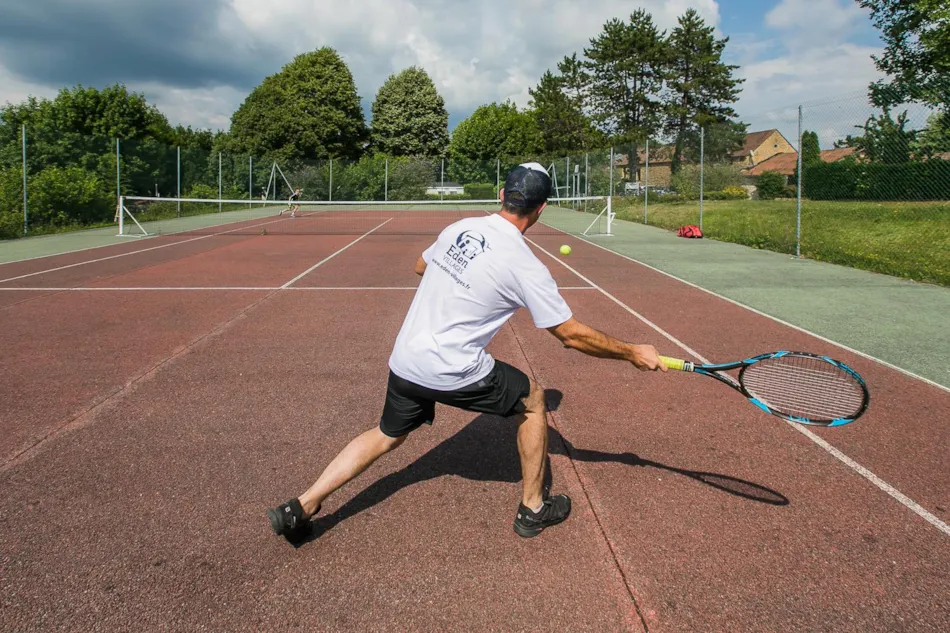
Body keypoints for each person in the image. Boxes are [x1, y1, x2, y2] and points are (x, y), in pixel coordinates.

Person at [267, 163, 666, 541]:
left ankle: (302, 505)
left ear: (501, 194)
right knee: (533, 401)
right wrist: (632, 352)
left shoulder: (462, 227)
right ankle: (533, 508)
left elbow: (421, 266)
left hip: (406, 358)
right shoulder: (527, 266)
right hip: (452, 368)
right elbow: (571, 335)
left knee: (387, 435)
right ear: (542, 209)